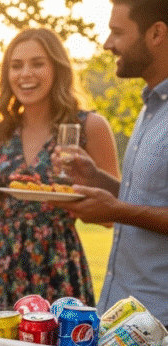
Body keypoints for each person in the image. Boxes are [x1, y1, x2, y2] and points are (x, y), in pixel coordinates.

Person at [0, 28, 120, 313]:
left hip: (58, 262)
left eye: (37, 63)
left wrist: (81, 187)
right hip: (0, 265)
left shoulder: (88, 127)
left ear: (57, 69)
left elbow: (113, 216)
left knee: (59, 341)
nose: (25, 74)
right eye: (16, 65)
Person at [62, 0, 168, 326]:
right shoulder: (152, 106)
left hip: (159, 324)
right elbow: (149, 199)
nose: (108, 44)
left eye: (117, 32)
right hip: (122, 316)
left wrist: (116, 211)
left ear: (156, 34)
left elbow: (128, 210)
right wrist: (97, 179)